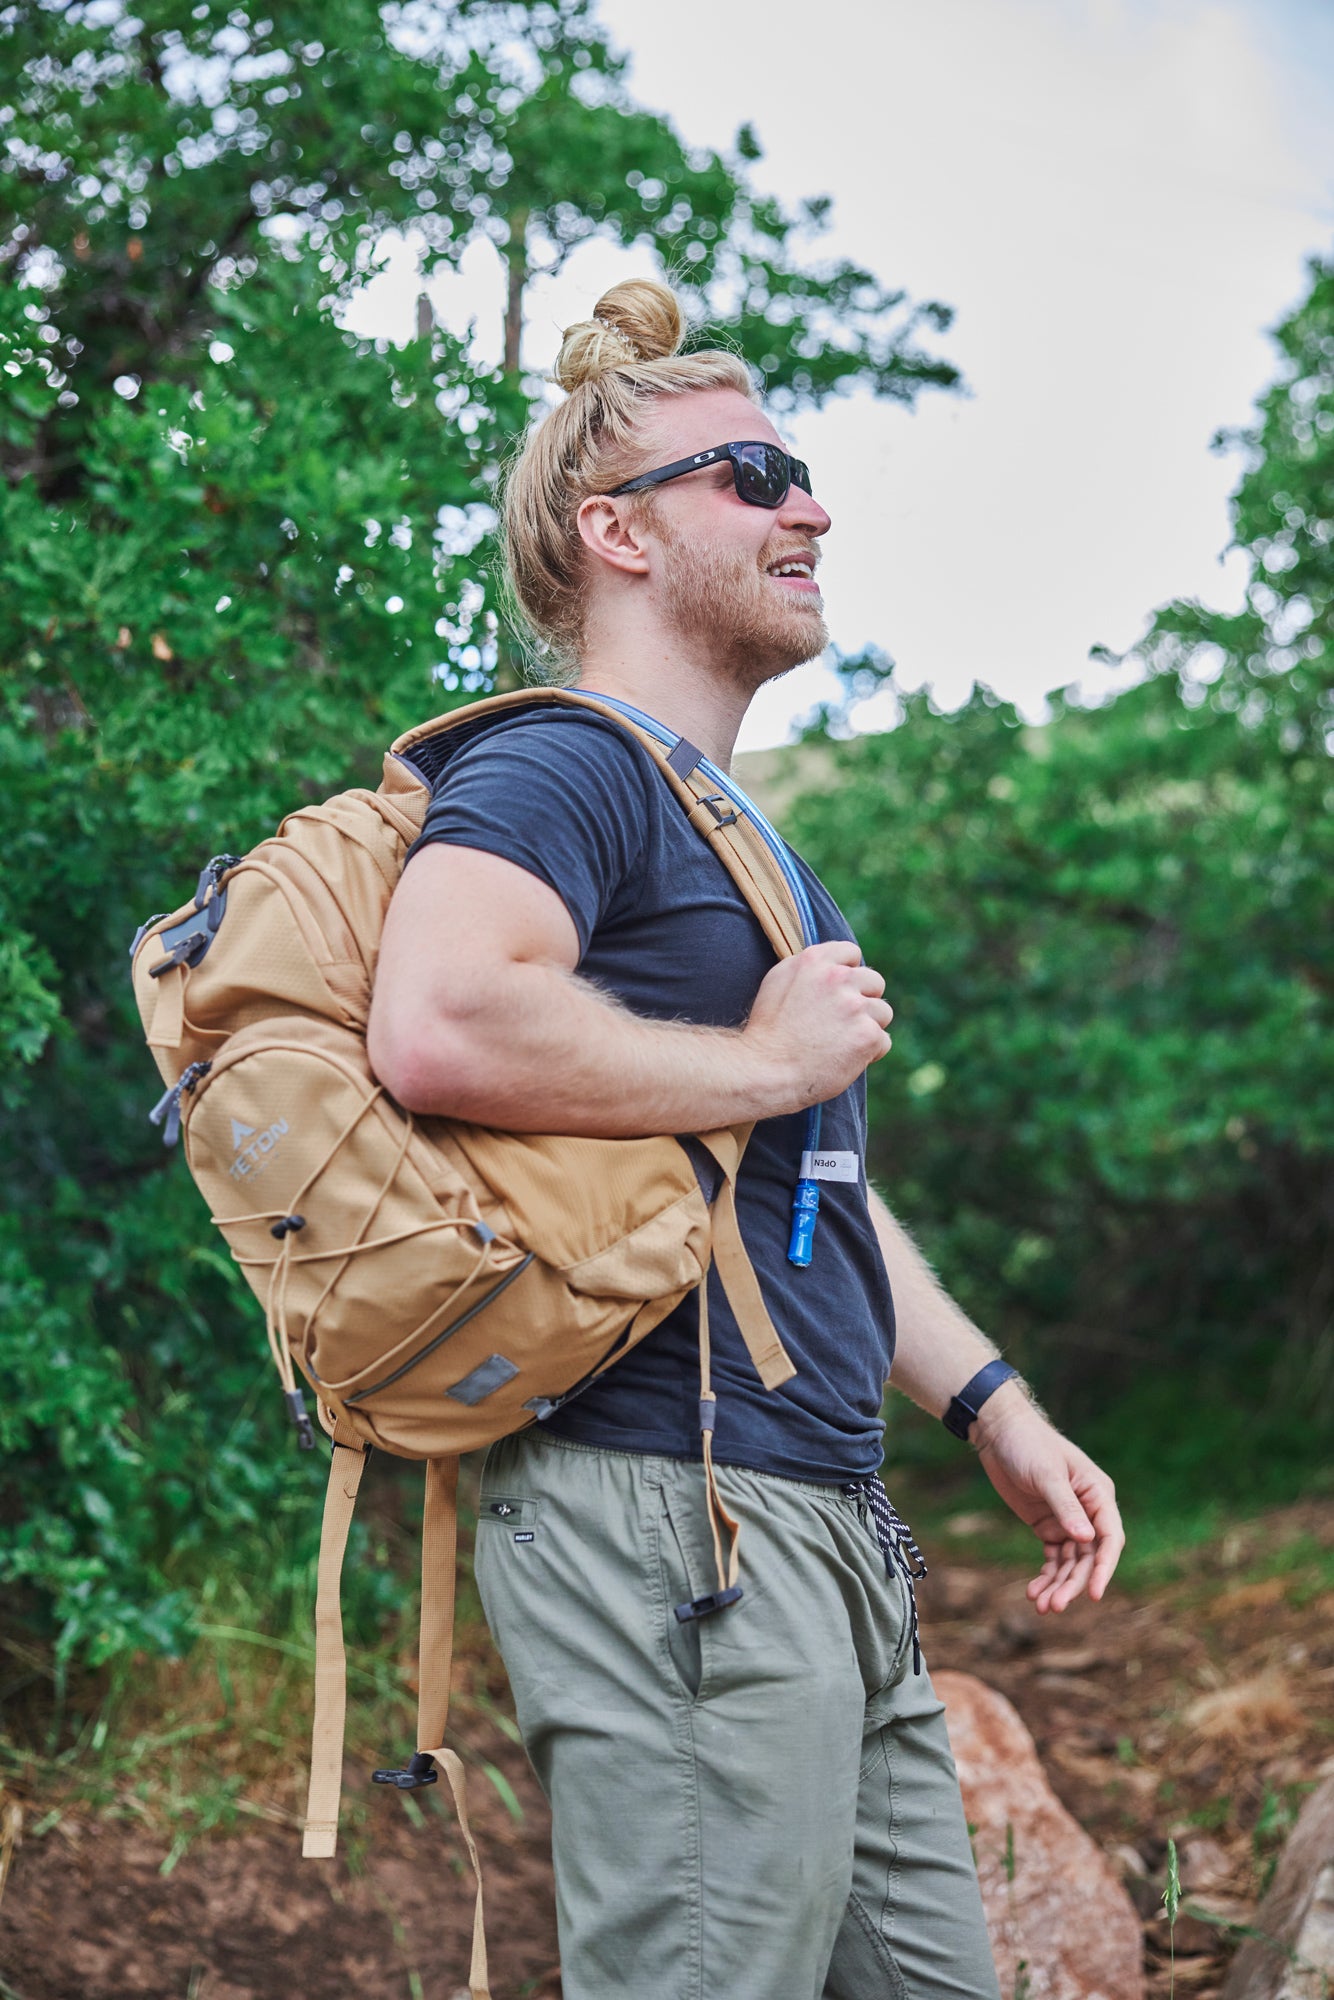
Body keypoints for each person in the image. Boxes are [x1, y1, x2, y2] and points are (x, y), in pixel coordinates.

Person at [367, 276, 1124, 2000]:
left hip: (822, 1520)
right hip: (666, 1511)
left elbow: (810, 1191)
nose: (812, 505)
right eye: (755, 472)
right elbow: (438, 1020)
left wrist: (990, 1405)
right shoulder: (563, 769)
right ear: (614, 533)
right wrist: (767, 1057)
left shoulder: (749, 846)